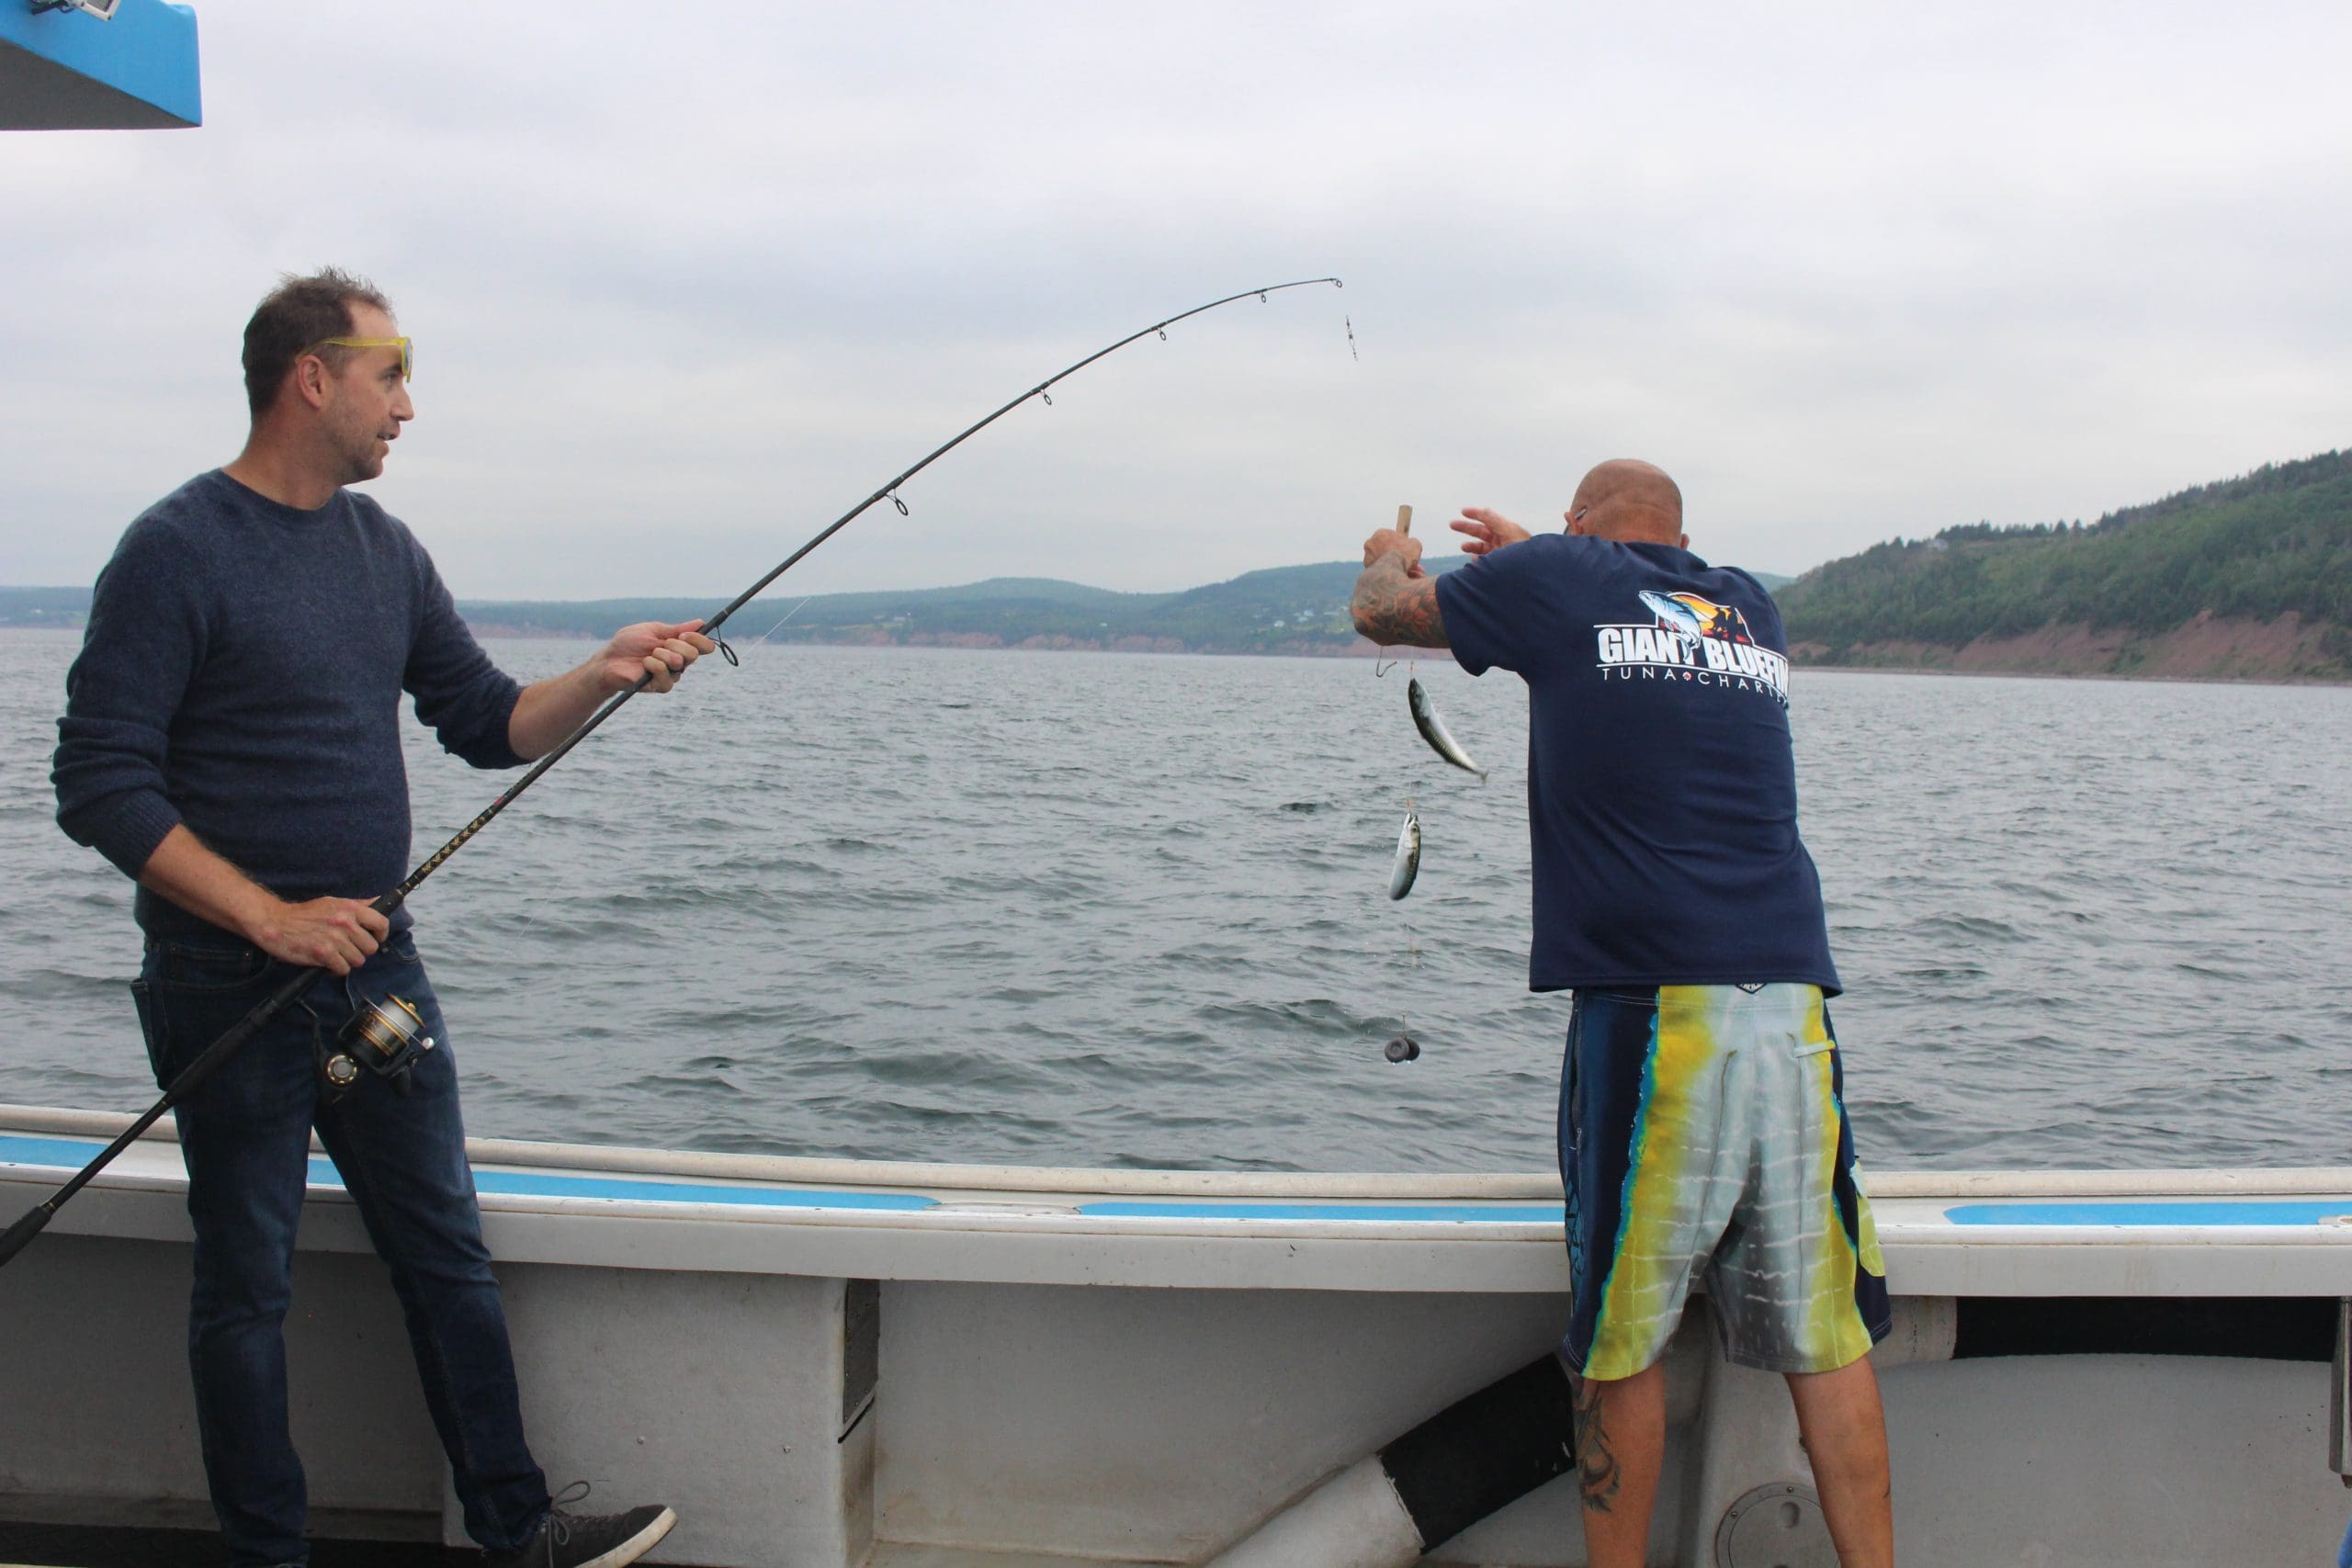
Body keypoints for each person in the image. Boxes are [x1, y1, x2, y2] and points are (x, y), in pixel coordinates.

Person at [51, 269, 708, 1568]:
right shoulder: (176, 548)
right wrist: (271, 918)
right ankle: (267, 1553)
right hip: (221, 978)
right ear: (313, 378)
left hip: (375, 967)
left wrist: (602, 672)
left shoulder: (384, 551)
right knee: (247, 1285)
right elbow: (98, 779)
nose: (407, 404)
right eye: (390, 372)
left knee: (446, 1251)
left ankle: (517, 1527)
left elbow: (485, 721)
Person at [1349, 460, 1895, 1568]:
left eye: (1566, 529)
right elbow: (1616, 603)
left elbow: (1382, 615)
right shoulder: (1749, 605)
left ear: (1583, 525)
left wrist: (1386, 551)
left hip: (1659, 1010)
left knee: (1620, 1344)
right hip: (1790, 1002)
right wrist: (1543, 557)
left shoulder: (1560, 575)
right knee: (1827, 1338)